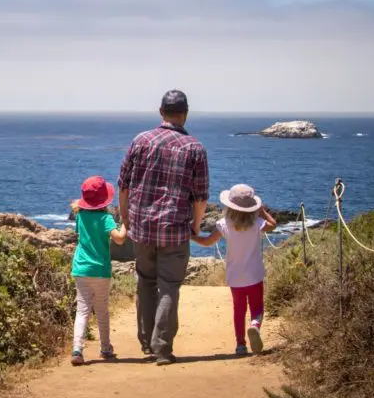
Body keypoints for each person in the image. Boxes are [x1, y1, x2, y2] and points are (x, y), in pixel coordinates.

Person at [118, 90, 209, 366]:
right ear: (186, 113)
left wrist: (126, 219)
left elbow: (124, 185)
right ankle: (162, 348)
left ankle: (146, 341)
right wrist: (195, 226)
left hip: (143, 228)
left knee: (146, 281)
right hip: (174, 229)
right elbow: (200, 196)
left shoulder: (140, 141)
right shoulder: (195, 148)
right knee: (169, 286)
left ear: (161, 112)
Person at [192, 184, 277, 355]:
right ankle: (254, 325)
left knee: (238, 310)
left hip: (235, 276)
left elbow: (208, 242)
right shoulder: (257, 223)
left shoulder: (224, 224)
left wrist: (192, 237)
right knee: (257, 308)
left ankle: (240, 345)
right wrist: (261, 211)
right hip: (254, 274)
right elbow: (273, 225)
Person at [70, 175, 129, 366]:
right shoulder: (106, 218)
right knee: (102, 310)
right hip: (101, 269)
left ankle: (77, 350)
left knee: (82, 310)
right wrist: (126, 222)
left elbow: (79, 235)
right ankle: (105, 347)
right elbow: (119, 238)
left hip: (81, 268)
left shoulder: (80, 216)